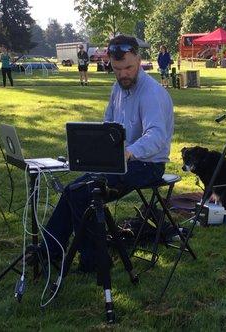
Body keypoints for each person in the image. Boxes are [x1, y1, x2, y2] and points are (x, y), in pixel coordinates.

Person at [41, 35, 174, 272]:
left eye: (129, 68)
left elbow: (157, 137)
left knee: (84, 194)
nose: (123, 74)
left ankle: (92, 261)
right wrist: (95, 150)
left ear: (139, 60)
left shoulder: (151, 93)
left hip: (148, 165)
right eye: (117, 69)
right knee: (74, 191)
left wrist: (129, 152)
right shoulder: (117, 88)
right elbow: (108, 124)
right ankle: (49, 253)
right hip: (120, 161)